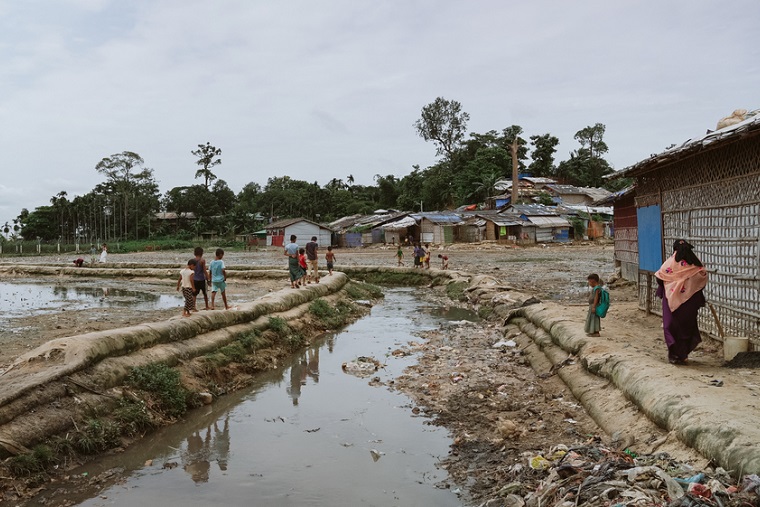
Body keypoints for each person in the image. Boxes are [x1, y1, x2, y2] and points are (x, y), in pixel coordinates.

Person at [655, 239, 708, 364]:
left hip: (671, 301)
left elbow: (660, 277)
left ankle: (674, 354)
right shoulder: (697, 264)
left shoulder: (669, 264)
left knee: (670, 326)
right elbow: (703, 279)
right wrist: (688, 288)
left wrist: (673, 287)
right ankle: (683, 355)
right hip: (690, 302)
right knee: (687, 327)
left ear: (675, 250)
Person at [192, 247, 210, 311]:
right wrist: (208, 279)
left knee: (194, 294)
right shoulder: (202, 261)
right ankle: (207, 306)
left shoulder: (193, 260)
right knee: (205, 293)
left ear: (194, 253)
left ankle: (194, 307)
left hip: (195, 279)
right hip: (201, 279)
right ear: (202, 253)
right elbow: (204, 271)